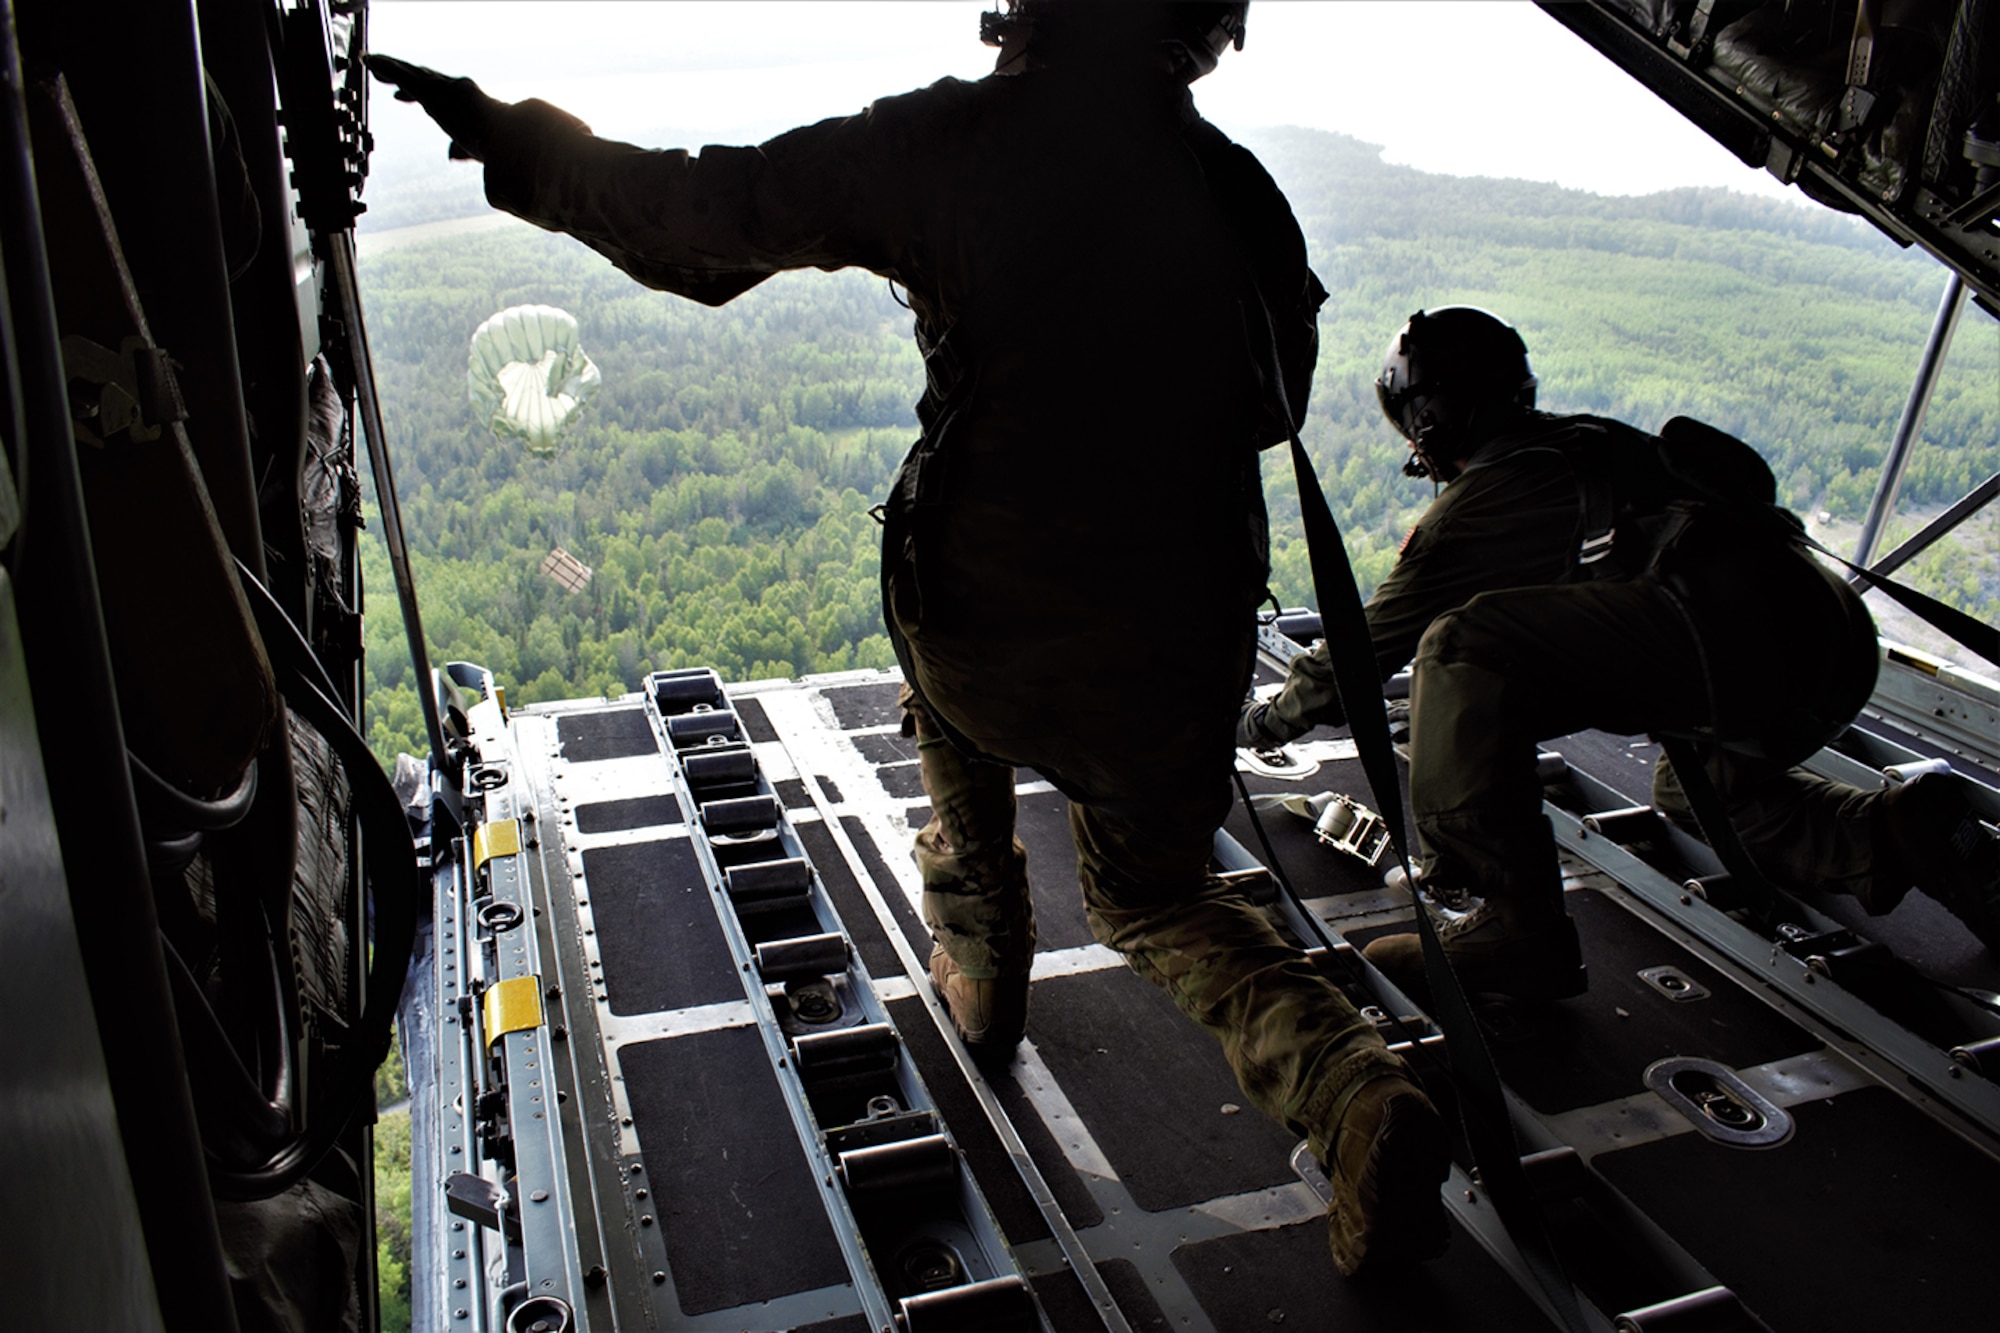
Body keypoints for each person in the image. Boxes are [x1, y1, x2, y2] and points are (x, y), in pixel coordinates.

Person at [370, 0, 1449, 1277]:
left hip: (986, 603)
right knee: (1155, 894)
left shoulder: (957, 139)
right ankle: (1348, 1088)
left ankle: (981, 972)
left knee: (955, 717)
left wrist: (515, 140)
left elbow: (709, 220)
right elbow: (1271, 408)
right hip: (1176, 622)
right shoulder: (1237, 190)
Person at [1241, 306, 2000, 999]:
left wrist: (1258, 727)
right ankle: (1895, 831)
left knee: (1463, 646)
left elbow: (1361, 651)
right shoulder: (1590, 440)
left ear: (1433, 415)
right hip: (1826, 645)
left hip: (1738, 644)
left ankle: (1516, 927)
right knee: (1697, 793)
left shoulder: (1495, 491)